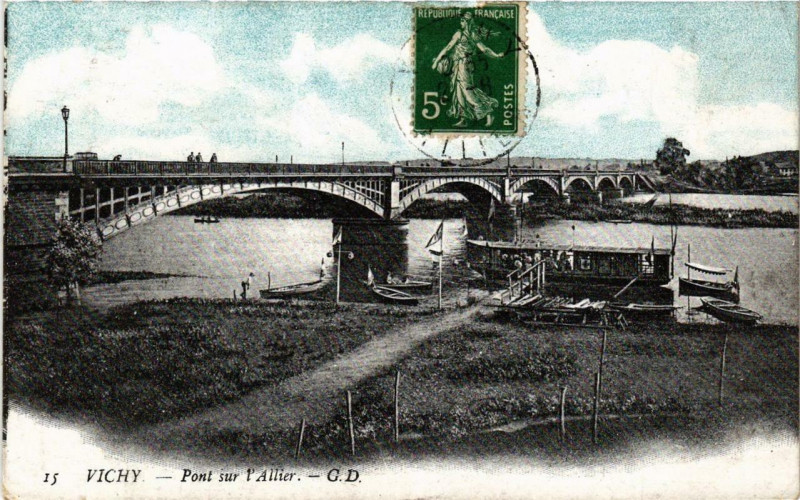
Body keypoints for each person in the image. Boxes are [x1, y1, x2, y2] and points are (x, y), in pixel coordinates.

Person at [431, 12, 506, 127]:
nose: (461, 22)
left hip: (465, 65)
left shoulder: (468, 34)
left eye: (462, 21)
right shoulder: (462, 34)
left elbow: (484, 49)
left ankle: (488, 112)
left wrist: (496, 55)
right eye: (461, 20)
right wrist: (437, 61)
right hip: (458, 65)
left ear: (467, 22)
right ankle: (463, 119)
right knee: (458, 91)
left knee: (467, 91)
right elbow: (448, 48)